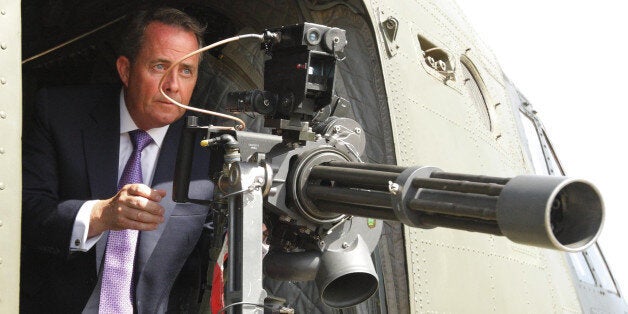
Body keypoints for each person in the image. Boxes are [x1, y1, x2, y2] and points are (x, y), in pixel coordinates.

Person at [21, 7, 214, 313]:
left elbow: (211, 245)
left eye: (186, 70)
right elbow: (24, 213)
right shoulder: (59, 113)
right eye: (160, 66)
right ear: (125, 70)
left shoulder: (212, 144)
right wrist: (100, 215)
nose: (173, 86)